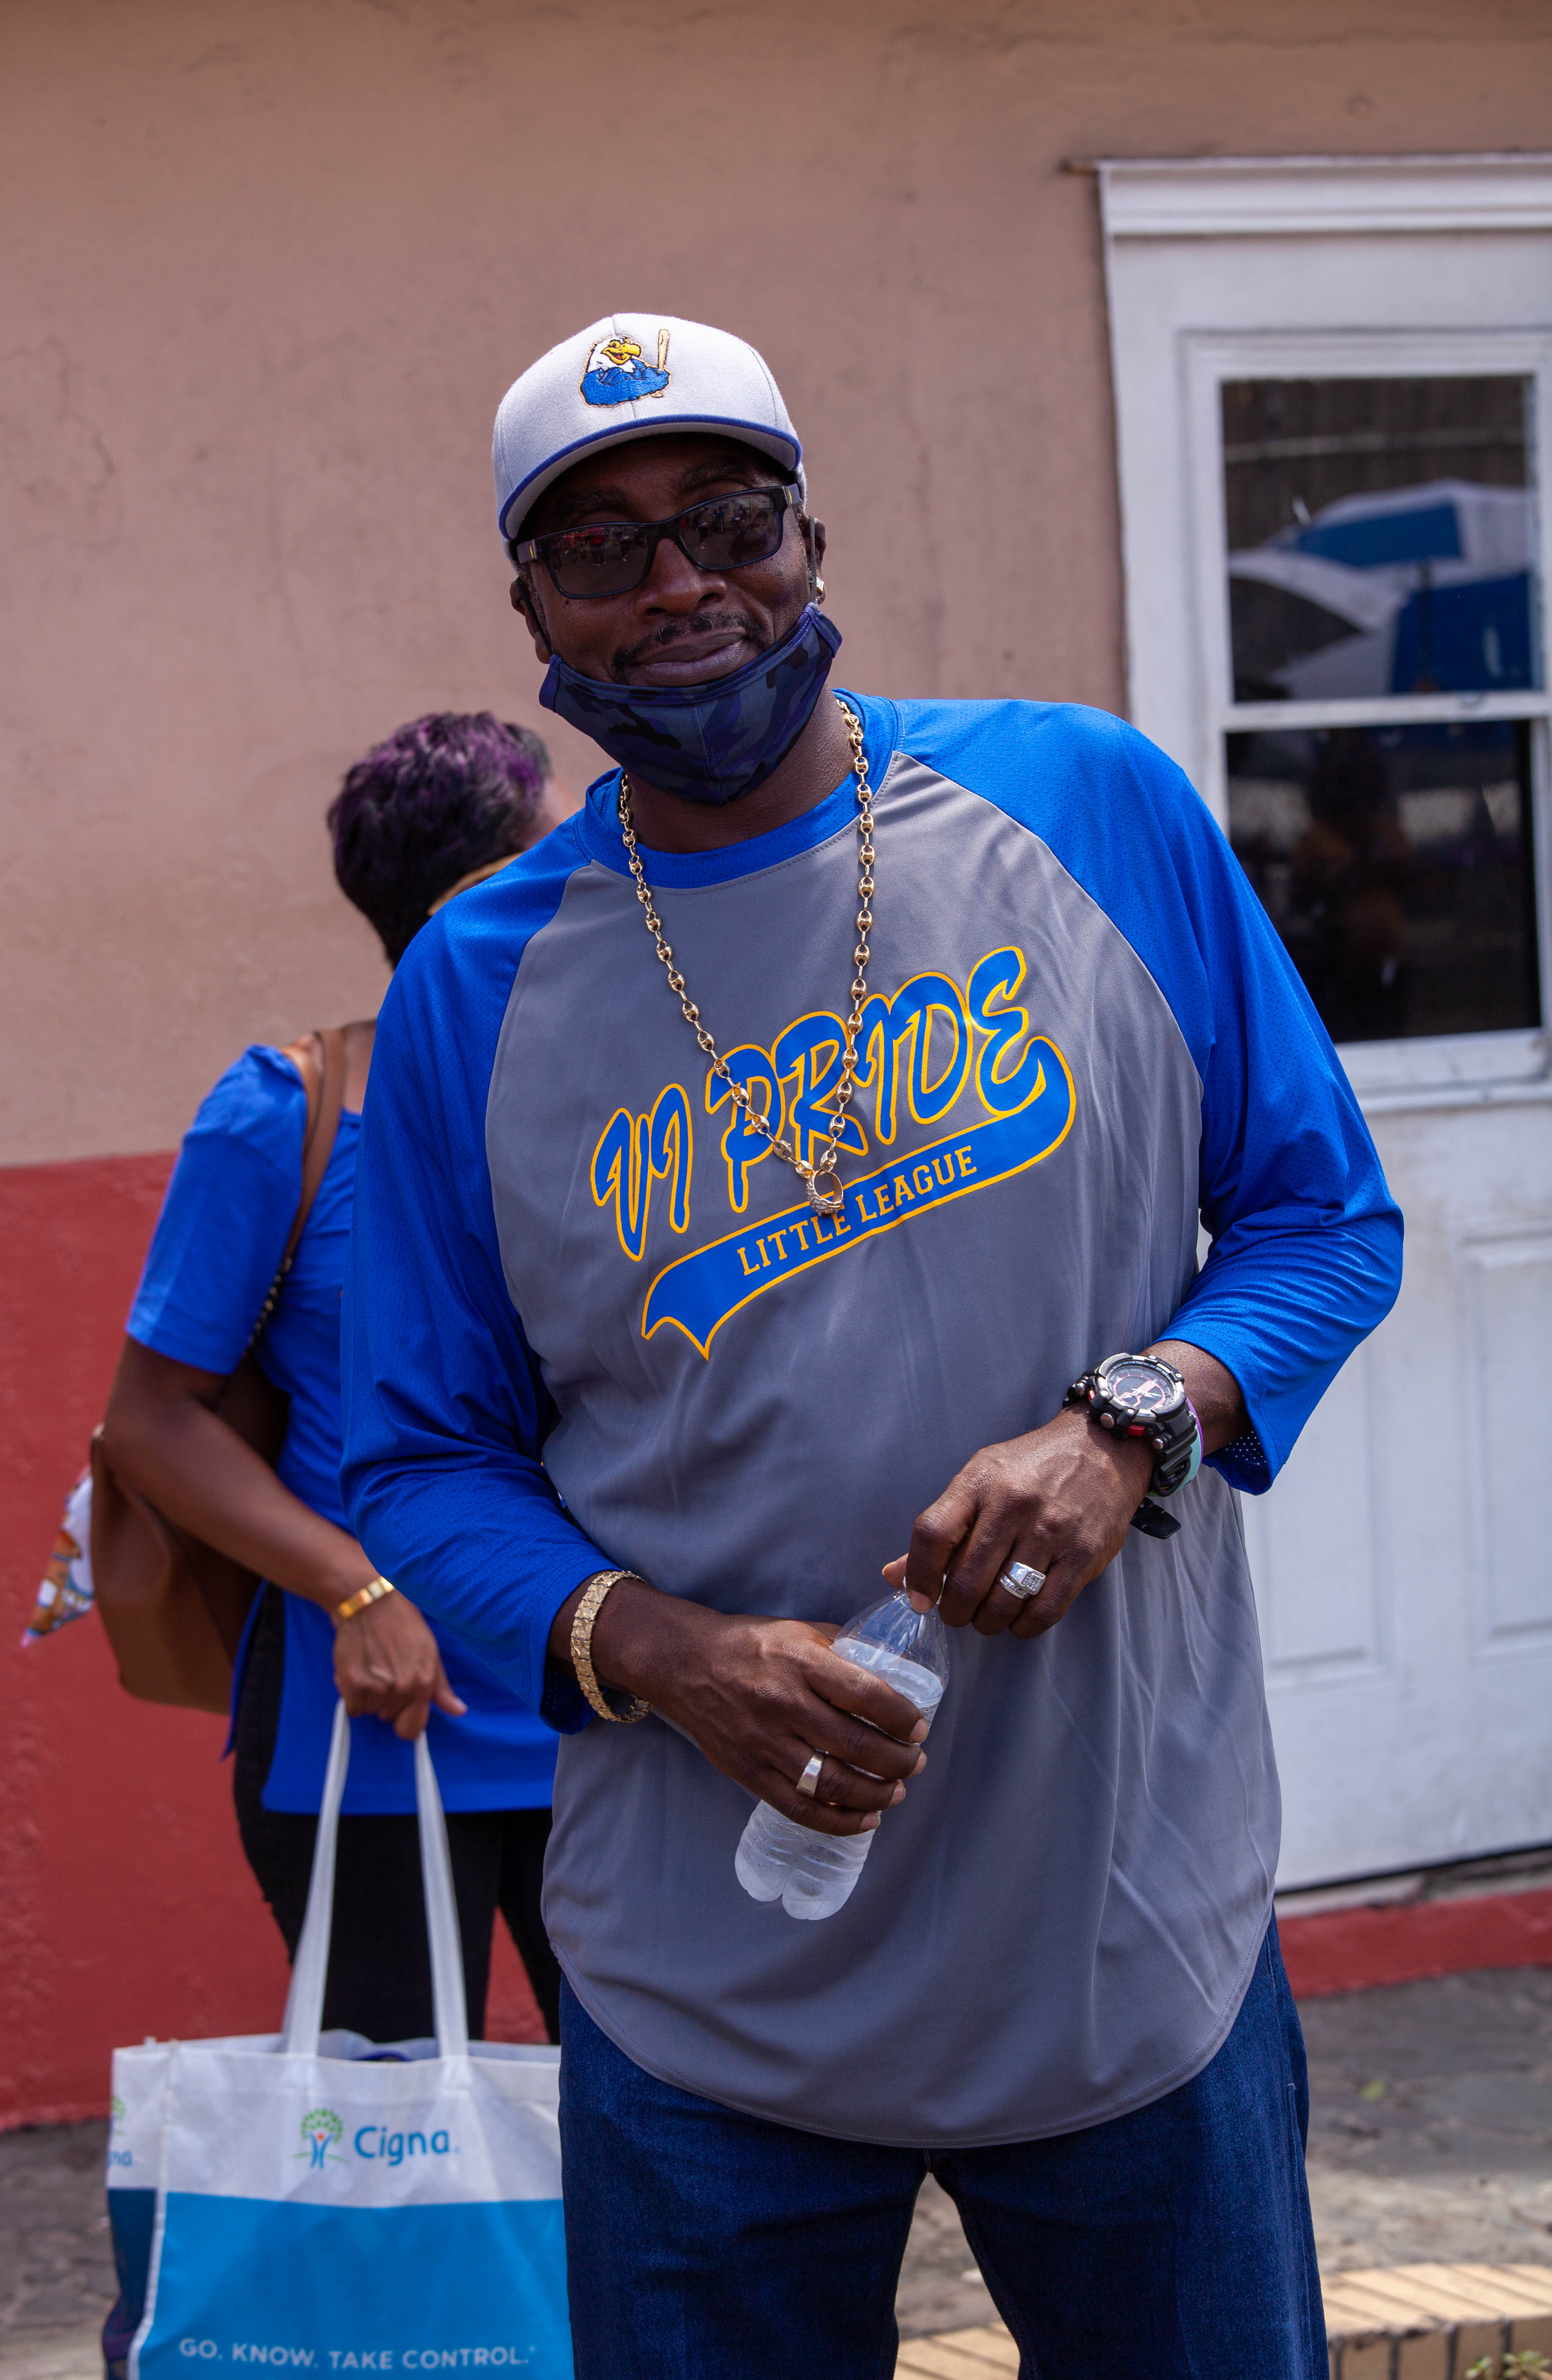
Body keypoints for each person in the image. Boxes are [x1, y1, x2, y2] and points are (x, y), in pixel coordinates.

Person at [340, 316, 1403, 2377]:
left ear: (811, 536)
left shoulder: (1086, 800)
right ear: (531, 609)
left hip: (1124, 1938)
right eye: (603, 549)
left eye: (730, 519)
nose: (680, 585)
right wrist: (662, 1649)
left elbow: (1320, 1218)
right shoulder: (478, 985)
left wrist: (1131, 1424)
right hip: (700, 1997)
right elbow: (417, 1456)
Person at [103, 712, 573, 2049]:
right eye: (564, 848)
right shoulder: (281, 1117)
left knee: (656, 2123)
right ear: (485, 891)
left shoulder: (629, 1109)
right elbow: (152, 1421)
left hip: (605, 1697)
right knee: (392, 2129)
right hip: (371, 1707)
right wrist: (353, 1589)